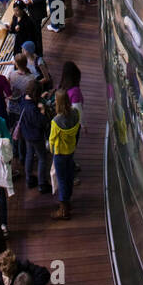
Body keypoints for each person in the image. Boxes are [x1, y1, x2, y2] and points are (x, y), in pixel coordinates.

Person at [49, 88, 81, 221]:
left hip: (60, 153)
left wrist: (53, 150)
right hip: (71, 151)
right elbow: (78, 130)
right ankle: (67, 202)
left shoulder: (56, 121)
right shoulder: (75, 113)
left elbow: (52, 140)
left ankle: (63, 210)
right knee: (68, 177)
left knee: (61, 179)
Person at [18, 81, 52, 193]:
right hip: (36, 136)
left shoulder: (23, 100)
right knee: (42, 158)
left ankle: (29, 179)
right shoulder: (32, 109)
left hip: (26, 134)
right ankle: (42, 184)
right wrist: (42, 110)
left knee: (29, 154)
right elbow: (41, 122)